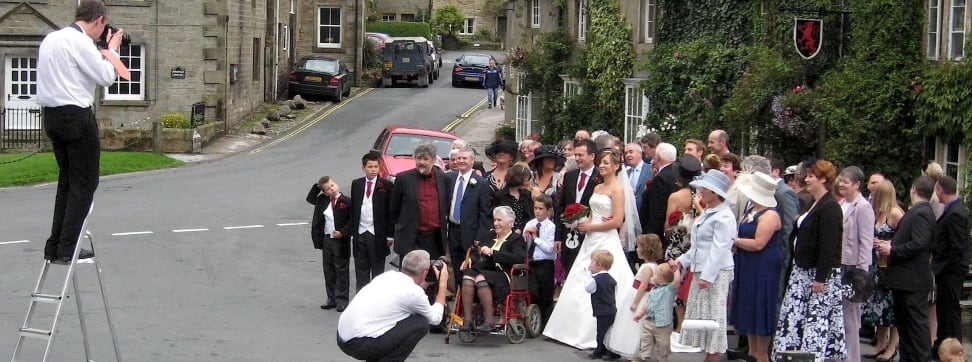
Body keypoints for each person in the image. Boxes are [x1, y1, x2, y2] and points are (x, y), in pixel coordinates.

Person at [38, 0, 125, 264]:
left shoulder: (51, 39)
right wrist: (112, 50)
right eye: (103, 26)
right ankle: (68, 247)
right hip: (76, 116)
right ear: (98, 20)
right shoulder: (81, 42)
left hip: (52, 116)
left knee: (67, 182)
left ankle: (55, 245)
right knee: (85, 183)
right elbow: (107, 77)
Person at [544, 149, 639, 353]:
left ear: (616, 167)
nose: (603, 166)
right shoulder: (597, 188)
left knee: (605, 278)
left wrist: (592, 227)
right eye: (601, 162)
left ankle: (598, 333)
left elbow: (616, 220)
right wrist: (582, 222)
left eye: (607, 163)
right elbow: (593, 213)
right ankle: (567, 328)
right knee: (579, 277)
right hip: (590, 237)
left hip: (605, 239)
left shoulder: (618, 189)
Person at [773, 159, 847, 362]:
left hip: (817, 275)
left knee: (816, 322)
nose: (807, 179)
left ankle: (812, 356)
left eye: (811, 176)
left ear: (823, 179)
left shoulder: (830, 207)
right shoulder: (815, 203)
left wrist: (821, 278)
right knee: (797, 320)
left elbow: (829, 245)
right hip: (802, 272)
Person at [669, 169, 736, 362]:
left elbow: (719, 249)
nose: (701, 192)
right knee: (704, 314)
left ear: (715, 192)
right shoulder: (709, 212)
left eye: (705, 189)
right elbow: (699, 246)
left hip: (716, 272)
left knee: (714, 314)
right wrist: (681, 261)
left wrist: (708, 275)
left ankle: (714, 355)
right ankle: (709, 353)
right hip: (702, 269)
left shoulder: (724, 216)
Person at [336, 249, 449, 362]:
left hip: (342, 337)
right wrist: (443, 284)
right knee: (421, 323)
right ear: (425, 272)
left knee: (404, 316)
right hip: (359, 345)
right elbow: (436, 319)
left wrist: (423, 284)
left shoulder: (388, 276)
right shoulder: (413, 292)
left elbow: (405, 296)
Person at [875, 176, 935, 362]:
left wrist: (893, 249)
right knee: (906, 328)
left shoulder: (922, 212)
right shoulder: (916, 211)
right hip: (904, 281)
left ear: (914, 189)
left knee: (916, 327)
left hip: (912, 281)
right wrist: (890, 244)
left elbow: (920, 242)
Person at [731, 172, 782, 362]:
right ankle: (752, 353)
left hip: (763, 266)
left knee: (760, 306)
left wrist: (734, 240)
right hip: (746, 263)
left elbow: (759, 243)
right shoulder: (751, 208)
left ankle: (762, 354)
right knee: (749, 307)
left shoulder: (770, 215)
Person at [458, 206, 529, 332]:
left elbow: (519, 258)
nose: (495, 223)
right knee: (468, 276)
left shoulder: (516, 239)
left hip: (503, 273)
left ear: (510, 223)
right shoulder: (490, 236)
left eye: (499, 220)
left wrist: (493, 253)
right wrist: (470, 260)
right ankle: (468, 320)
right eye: (495, 220)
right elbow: (477, 253)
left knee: (479, 277)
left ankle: (489, 321)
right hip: (484, 269)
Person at [862, 180, 904, 362]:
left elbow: (905, 238)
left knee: (891, 308)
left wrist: (888, 245)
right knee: (879, 307)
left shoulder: (895, 213)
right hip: (876, 265)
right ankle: (880, 343)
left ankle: (891, 347)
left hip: (891, 266)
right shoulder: (875, 212)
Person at [388, 143, 451, 261]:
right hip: (411, 238)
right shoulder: (403, 179)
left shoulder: (444, 179)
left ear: (433, 160)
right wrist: (397, 231)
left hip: (434, 239)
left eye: (425, 159)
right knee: (409, 277)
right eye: (419, 158)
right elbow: (394, 209)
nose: (421, 162)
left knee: (431, 275)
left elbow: (446, 205)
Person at [837, 166, 875, 362]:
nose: (841, 184)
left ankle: (852, 358)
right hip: (840, 265)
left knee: (851, 317)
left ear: (857, 184)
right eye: (840, 180)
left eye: (845, 181)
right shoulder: (843, 204)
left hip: (853, 268)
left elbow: (866, 243)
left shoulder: (863, 207)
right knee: (841, 316)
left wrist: (861, 273)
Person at [932, 176, 970, 356]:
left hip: (951, 272)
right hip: (948, 271)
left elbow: (957, 247)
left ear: (940, 189)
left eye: (936, 190)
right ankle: (942, 346)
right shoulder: (954, 210)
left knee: (950, 312)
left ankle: (954, 352)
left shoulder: (955, 213)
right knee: (944, 311)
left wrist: (942, 267)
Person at [446, 147, 492, 288]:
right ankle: (458, 299)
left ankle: (468, 300)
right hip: (453, 230)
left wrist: (479, 237)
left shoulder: (481, 183)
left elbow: (485, 213)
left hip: (470, 233)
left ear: (472, 161)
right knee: (455, 265)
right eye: (458, 158)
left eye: (464, 158)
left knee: (468, 267)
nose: (461, 161)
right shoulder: (450, 178)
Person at [347, 152, 394, 291]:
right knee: (361, 271)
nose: (373, 169)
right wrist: (352, 232)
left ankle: (377, 300)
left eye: (376, 166)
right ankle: (361, 301)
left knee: (377, 271)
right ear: (363, 168)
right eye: (370, 167)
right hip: (360, 233)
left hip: (377, 234)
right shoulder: (356, 184)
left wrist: (390, 235)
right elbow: (354, 209)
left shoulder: (386, 185)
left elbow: (390, 212)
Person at [554, 138, 599, 274]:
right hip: (569, 234)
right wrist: (558, 237)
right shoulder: (570, 176)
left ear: (592, 156)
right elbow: (561, 206)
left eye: (581, 155)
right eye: (576, 155)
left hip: (590, 232)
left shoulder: (599, 177)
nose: (577, 158)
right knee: (569, 269)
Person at [307, 176, 352, 311]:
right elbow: (310, 199)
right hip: (327, 239)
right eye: (327, 188)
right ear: (325, 192)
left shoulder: (347, 201)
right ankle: (331, 298)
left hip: (340, 240)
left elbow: (352, 219)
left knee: (341, 269)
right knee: (329, 269)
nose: (331, 189)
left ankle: (342, 300)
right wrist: (317, 187)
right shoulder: (322, 200)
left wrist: (343, 232)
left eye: (332, 185)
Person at [621, 234, 663, 360]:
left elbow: (643, 286)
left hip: (642, 298)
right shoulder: (654, 266)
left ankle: (636, 352)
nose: (636, 249)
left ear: (645, 250)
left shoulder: (647, 268)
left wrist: (635, 302)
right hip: (645, 296)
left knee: (637, 326)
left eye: (638, 247)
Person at [633, 262, 682, 362]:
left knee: (663, 343)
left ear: (661, 278)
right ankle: (643, 356)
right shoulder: (653, 290)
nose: (653, 277)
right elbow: (648, 303)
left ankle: (662, 358)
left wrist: (676, 269)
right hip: (650, 320)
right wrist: (640, 313)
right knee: (646, 339)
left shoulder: (669, 289)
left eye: (655, 275)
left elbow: (677, 281)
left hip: (664, 324)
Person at [524, 194, 557, 324]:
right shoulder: (530, 224)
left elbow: (549, 248)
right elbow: (524, 243)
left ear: (548, 210)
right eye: (535, 208)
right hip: (532, 263)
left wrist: (536, 238)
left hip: (545, 263)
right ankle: (533, 319)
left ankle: (546, 322)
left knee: (546, 293)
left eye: (541, 209)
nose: (537, 211)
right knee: (532, 292)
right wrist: (526, 236)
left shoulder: (551, 227)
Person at [586, 250, 621, 361]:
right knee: (608, 331)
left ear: (599, 265)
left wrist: (588, 275)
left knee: (602, 331)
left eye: (592, 262)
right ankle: (605, 349)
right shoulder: (612, 280)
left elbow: (588, 288)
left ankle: (602, 350)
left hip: (602, 310)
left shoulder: (595, 280)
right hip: (611, 309)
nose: (590, 264)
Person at [639, 143, 678, 239]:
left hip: (657, 232)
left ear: (658, 157)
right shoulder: (676, 173)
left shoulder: (661, 178)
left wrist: (650, 233)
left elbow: (657, 209)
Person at [491, 163, 535, 233]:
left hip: (524, 232)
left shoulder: (527, 194)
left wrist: (521, 229)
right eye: (526, 180)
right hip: (505, 233)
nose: (528, 183)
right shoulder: (500, 195)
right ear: (518, 179)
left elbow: (530, 215)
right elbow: (494, 216)